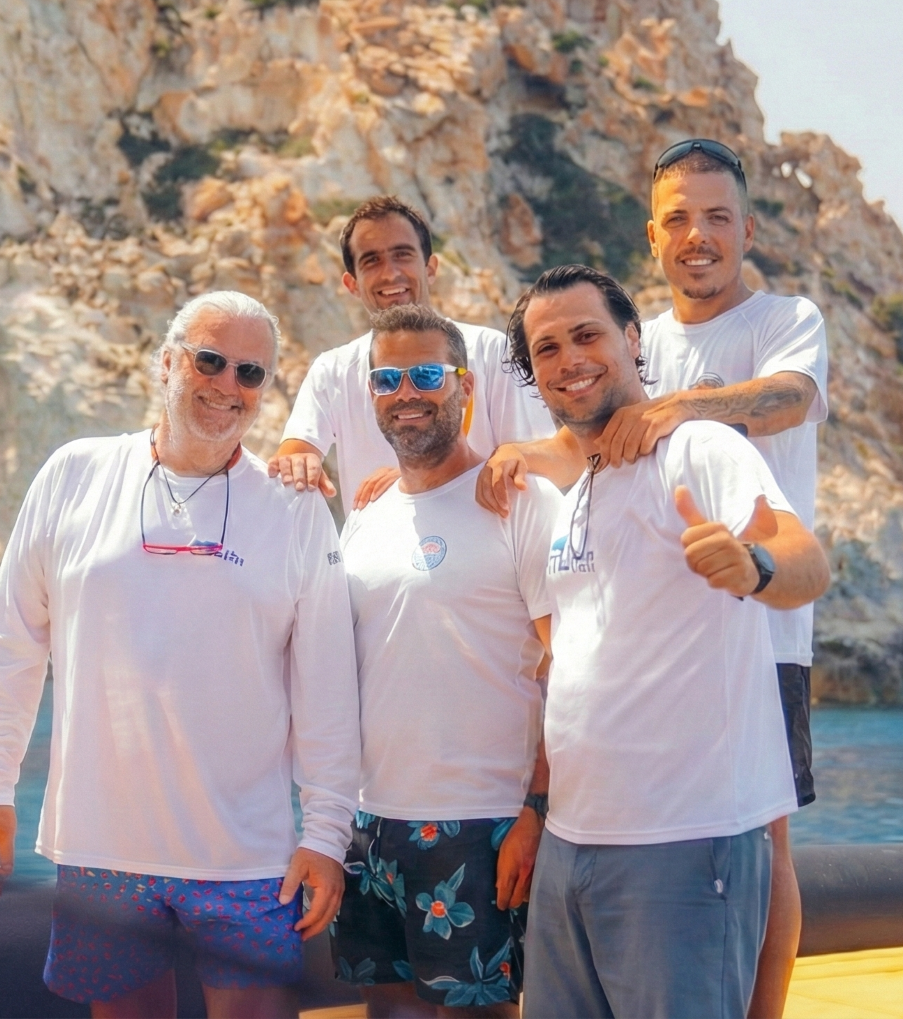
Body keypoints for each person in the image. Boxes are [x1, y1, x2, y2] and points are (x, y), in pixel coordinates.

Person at [479, 139, 828, 1018]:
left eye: (717, 217)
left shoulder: (776, 329)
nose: (698, 234)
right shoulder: (628, 380)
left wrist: (747, 560)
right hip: (587, 823)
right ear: (653, 235)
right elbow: (580, 434)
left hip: (754, 615)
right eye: (679, 218)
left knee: (772, 843)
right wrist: (484, 464)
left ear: (747, 229)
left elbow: (788, 405)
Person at [0, 291, 361, 1019]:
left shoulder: (296, 508)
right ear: (169, 363)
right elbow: (13, 640)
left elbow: (329, 686)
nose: (228, 385)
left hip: (247, 857)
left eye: (251, 373)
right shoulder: (73, 474)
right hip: (103, 848)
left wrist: (328, 831)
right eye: (211, 361)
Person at [331, 305, 561, 1017]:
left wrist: (536, 810)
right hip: (370, 827)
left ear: (463, 384)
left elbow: (570, 667)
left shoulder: (521, 502)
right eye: (387, 378)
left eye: (426, 374)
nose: (407, 392)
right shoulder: (365, 519)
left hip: (482, 823)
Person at [271, 196, 555, 510]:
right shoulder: (332, 370)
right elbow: (295, 454)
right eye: (371, 261)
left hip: (488, 548)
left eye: (402, 255)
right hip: (379, 553)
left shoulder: (489, 350)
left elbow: (537, 456)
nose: (390, 273)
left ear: (431, 268)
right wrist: (297, 465)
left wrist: (416, 480)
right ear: (352, 284)